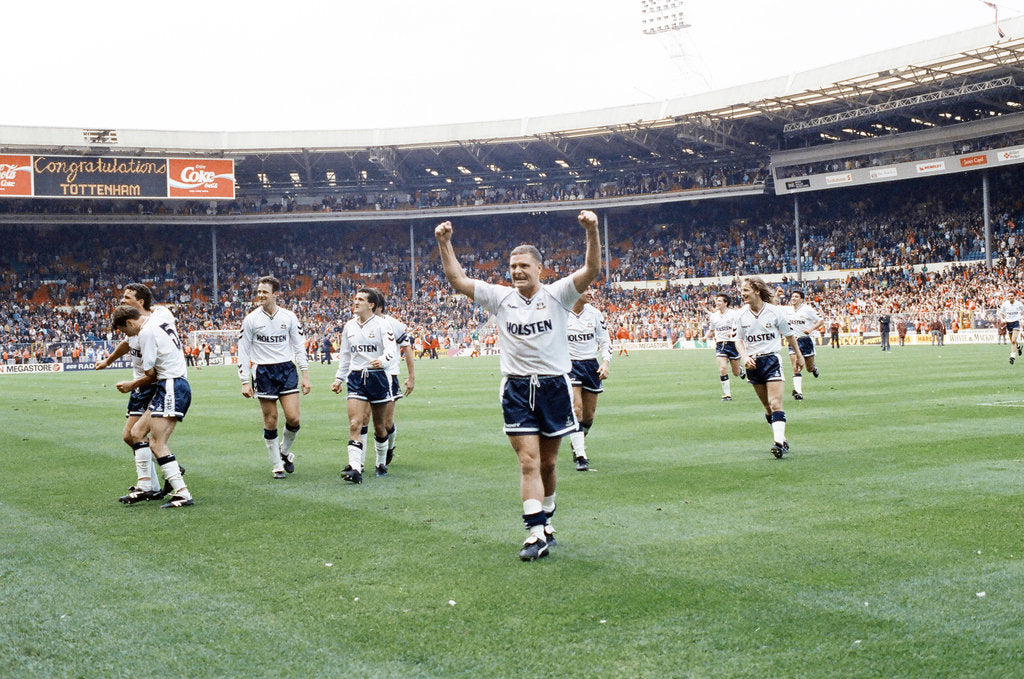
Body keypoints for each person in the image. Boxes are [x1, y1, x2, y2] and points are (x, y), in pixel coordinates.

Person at [435, 209, 601, 562]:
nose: (517, 271)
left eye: (524, 266)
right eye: (512, 267)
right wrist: (444, 243)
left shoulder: (558, 294)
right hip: (516, 389)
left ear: (539, 269)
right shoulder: (500, 297)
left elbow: (591, 271)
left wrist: (591, 231)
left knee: (548, 464)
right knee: (528, 461)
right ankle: (535, 531)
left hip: (554, 386)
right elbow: (458, 281)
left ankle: (548, 517)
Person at [96, 283, 184, 503]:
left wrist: (133, 384)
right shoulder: (133, 324)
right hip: (140, 385)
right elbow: (126, 344)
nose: (122, 300)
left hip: (152, 383)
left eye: (127, 297)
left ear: (141, 302)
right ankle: (158, 476)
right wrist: (108, 360)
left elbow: (154, 369)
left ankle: (152, 482)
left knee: (141, 435)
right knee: (130, 436)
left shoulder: (153, 321)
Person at [110, 305, 193, 508]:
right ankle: (146, 485)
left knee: (157, 443)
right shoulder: (159, 317)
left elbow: (150, 374)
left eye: (124, 331)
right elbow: (162, 308)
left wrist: (131, 385)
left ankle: (182, 493)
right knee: (137, 432)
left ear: (130, 322)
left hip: (172, 384)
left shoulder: (145, 332)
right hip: (170, 384)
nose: (128, 336)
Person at [237, 275, 311, 479]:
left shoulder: (288, 317)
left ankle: (284, 452)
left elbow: (298, 346)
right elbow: (243, 351)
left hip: (286, 369)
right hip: (263, 372)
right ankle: (277, 464)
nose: (260, 295)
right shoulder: (251, 319)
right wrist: (244, 380)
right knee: (271, 420)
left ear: (275, 294)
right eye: (258, 291)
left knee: (294, 418)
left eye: (264, 292)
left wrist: (305, 374)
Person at [331, 288, 399, 484]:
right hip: (356, 378)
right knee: (355, 423)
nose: (355, 302)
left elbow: (391, 351)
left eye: (360, 299)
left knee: (379, 426)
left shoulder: (382, 325)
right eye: (355, 299)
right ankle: (355, 469)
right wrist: (338, 379)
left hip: (378, 377)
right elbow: (345, 356)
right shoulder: (349, 327)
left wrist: (383, 360)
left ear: (371, 305)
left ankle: (380, 463)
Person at [735, 277, 803, 459]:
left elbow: (789, 335)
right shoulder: (740, 315)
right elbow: (738, 340)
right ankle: (782, 438)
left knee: (775, 403)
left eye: (746, 291)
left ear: (757, 290)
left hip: (771, 360)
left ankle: (778, 444)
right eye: (741, 291)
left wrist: (799, 355)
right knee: (767, 407)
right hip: (753, 364)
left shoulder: (774, 312)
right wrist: (744, 356)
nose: (742, 294)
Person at [358, 288, 415, 477]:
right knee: (363, 419)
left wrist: (411, 376)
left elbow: (406, 348)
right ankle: (360, 462)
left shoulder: (392, 324)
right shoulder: (360, 324)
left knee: (386, 422)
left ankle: (388, 447)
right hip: (366, 376)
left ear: (378, 307)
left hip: (389, 377)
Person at [566, 287, 612, 471]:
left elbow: (605, 340)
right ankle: (581, 456)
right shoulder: (561, 313)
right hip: (569, 365)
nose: (590, 292)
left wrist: (606, 363)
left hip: (591, 366)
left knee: (589, 416)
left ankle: (577, 442)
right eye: (586, 288)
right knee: (576, 409)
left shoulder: (595, 314)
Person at [704, 293, 745, 402]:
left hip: (733, 344)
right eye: (716, 301)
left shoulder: (734, 314)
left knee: (735, 372)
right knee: (722, 368)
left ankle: (740, 371)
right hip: (720, 345)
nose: (717, 303)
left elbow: (740, 327)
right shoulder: (714, 316)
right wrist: (705, 337)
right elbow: (712, 330)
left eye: (719, 301)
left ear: (725, 303)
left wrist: (732, 334)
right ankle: (727, 394)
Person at [785, 289, 825, 400]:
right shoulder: (787, 310)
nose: (793, 298)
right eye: (792, 296)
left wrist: (811, 329)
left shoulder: (808, 310)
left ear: (802, 299)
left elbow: (821, 321)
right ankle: (798, 392)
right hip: (794, 341)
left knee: (808, 368)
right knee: (796, 367)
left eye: (796, 297)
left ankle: (814, 368)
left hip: (806, 340)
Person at [998, 292, 1024, 364]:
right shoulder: (1005, 304)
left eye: (1012, 296)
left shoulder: (1019, 303)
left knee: (1013, 340)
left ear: (1014, 296)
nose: (1010, 297)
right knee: (1013, 341)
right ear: (1007, 297)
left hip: (1016, 322)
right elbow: (1001, 313)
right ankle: (1019, 346)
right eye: (1009, 296)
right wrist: (1002, 319)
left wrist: (1022, 317)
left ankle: (1012, 357)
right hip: (1008, 323)